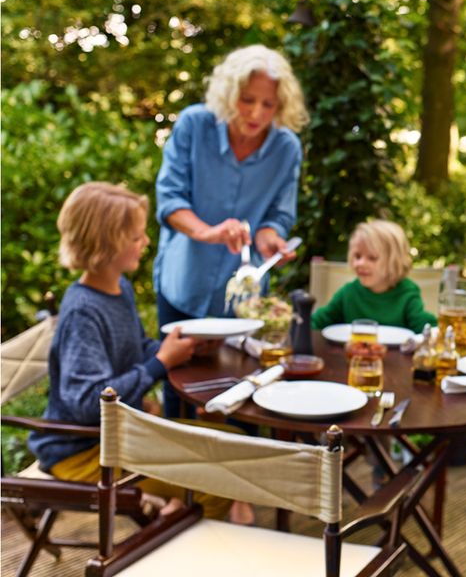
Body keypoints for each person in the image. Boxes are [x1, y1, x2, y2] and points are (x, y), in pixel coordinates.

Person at [27, 182, 231, 518]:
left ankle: (169, 522)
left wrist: (189, 347)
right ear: (107, 245)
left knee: (234, 445)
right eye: (136, 237)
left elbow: (138, 351)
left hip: (119, 436)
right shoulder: (83, 311)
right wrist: (160, 362)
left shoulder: (119, 288)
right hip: (82, 452)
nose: (146, 242)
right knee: (223, 477)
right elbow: (87, 404)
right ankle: (172, 544)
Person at [154, 44, 308, 417]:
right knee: (180, 390)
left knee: (245, 391)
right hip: (183, 283)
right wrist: (208, 232)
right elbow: (170, 200)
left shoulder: (286, 148)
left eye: (268, 104)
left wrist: (270, 236)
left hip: (246, 300)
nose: (257, 113)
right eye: (247, 99)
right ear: (228, 94)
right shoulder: (194, 125)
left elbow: (279, 215)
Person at [310, 219, 436, 333]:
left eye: (372, 258)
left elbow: (426, 328)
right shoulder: (348, 292)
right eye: (357, 256)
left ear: (394, 262)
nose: (360, 263)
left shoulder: (407, 293)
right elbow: (317, 322)